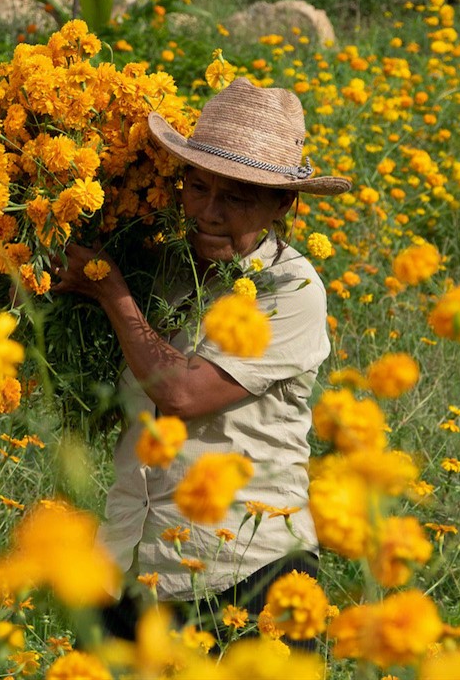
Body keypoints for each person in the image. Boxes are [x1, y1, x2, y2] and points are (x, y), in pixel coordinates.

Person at [51, 77, 351, 647]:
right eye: (196, 187)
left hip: (245, 573)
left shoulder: (289, 289)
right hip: (133, 563)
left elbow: (183, 394)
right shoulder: (162, 265)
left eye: (236, 197)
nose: (209, 212)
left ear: (282, 203)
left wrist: (109, 291)